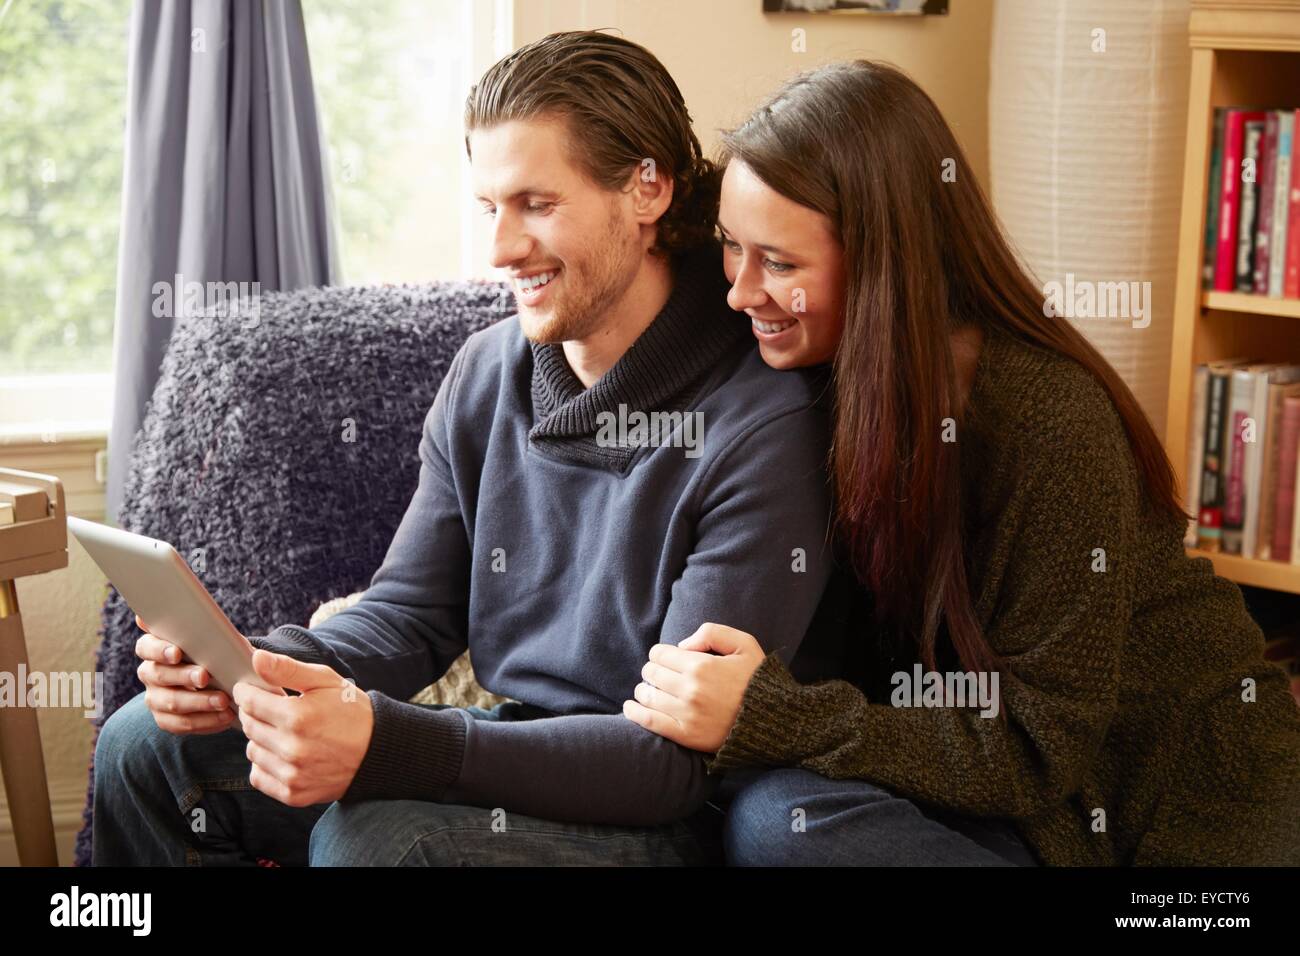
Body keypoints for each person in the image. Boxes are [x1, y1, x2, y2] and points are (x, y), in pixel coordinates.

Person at [91, 31, 843, 866]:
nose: (500, 249)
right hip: (507, 755)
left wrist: (390, 744)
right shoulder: (488, 371)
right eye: (490, 207)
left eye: (537, 205)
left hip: (662, 806)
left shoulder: (765, 424)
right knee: (146, 749)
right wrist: (261, 669)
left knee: (378, 841)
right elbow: (413, 614)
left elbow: (673, 762)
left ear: (647, 189)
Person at [623, 59, 1300, 866]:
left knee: (777, 827)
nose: (740, 291)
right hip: (995, 797)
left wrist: (779, 716)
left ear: (884, 262)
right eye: (734, 248)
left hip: (1163, 818)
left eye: (779, 263)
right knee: (774, 812)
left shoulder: (1049, 418)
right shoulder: (816, 370)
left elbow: (1038, 748)